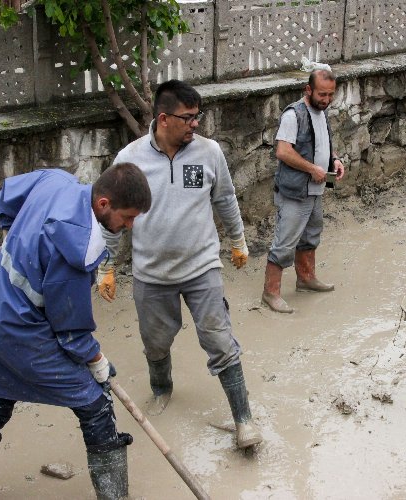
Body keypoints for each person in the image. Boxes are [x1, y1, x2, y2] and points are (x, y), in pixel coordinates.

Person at [0, 164, 152, 500]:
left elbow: (5, 198)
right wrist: (98, 360)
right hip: (21, 331)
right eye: (127, 218)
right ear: (103, 204)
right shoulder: (74, 249)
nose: (129, 227)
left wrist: (10, 237)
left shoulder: (56, 181)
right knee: (96, 405)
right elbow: (71, 335)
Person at [100, 79, 262, 449]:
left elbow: (225, 198)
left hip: (202, 266)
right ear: (163, 118)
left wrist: (238, 240)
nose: (195, 124)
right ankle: (162, 389)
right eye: (188, 118)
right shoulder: (130, 159)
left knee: (220, 341)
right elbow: (112, 219)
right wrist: (104, 265)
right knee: (155, 343)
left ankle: (244, 420)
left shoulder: (209, 152)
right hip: (151, 273)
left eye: (197, 117)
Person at [261, 69, 346, 314]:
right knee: (285, 241)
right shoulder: (293, 114)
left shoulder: (321, 112)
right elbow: (283, 152)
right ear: (307, 90)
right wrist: (312, 169)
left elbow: (323, 143)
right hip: (295, 191)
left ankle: (306, 279)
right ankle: (271, 292)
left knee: (310, 236)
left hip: (315, 189)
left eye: (330, 95)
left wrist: (335, 160)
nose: (327, 99)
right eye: (322, 94)